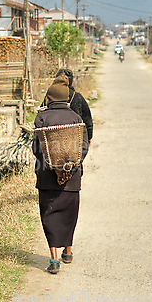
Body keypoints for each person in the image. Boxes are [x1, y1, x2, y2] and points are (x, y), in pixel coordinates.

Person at [32, 75, 89, 274]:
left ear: (49, 99)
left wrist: (52, 166)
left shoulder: (41, 118)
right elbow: (82, 148)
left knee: (50, 216)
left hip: (47, 178)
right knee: (68, 215)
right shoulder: (76, 118)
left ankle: (54, 260)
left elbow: (36, 149)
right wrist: (69, 168)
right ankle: (68, 251)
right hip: (72, 179)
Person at [42, 69, 93, 144]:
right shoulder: (77, 97)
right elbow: (87, 119)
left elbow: (42, 113)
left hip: (52, 142)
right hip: (73, 142)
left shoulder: (50, 96)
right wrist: (88, 137)